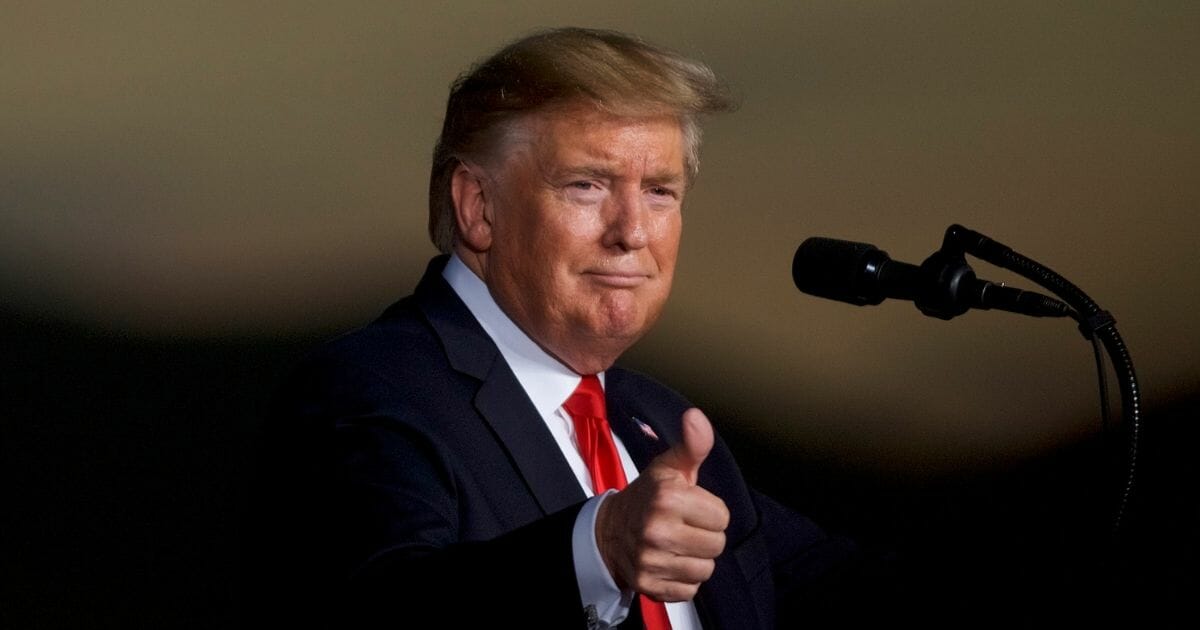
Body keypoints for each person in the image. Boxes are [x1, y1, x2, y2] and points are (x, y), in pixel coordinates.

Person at [244, 27, 879, 629]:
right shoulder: (369, 388)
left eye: (660, 191)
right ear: (479, 207)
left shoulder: (656, 419)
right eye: (587, 185)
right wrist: (597, 548)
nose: (632, 231)